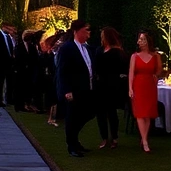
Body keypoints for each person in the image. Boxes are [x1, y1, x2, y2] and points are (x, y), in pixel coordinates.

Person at [56, 20, 95, 157]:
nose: (88, 34)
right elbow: (62, 70)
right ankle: (72, 145)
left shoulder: (87, 48)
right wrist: (66, 90)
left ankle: (75, 139)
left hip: (86, 89)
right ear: (77, 31)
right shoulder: (67, 48)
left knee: (87, 113)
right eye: (86, 30)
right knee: (72, 117)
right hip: (73, 90)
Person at [95, 27, 129, 149]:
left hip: (112, 85)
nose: (101, 38)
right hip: (100, 85)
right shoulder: (99, 50)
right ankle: (104, 137)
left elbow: (124, 68)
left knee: (111, 112)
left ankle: (114, 137)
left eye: (103, 35)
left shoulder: (118, 52)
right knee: (100, 113)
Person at [129, 30, 161, 153]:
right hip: (138, 85)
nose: (139, 42)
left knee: (148, 113)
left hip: (150, 86)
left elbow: (159, 70)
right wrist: (130, 88)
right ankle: (145, 141)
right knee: (140, 113)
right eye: (139, 39)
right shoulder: (134, 56)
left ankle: (144, 138)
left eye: (142, 39)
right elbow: (131, 73)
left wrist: (155, 76)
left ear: (148, 41)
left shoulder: (156, 56)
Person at [0, 23, 17, 108]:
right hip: (1, 64)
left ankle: (9, 99)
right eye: (9, 29)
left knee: (10, 82)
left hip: (10, 64)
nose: (11, 31)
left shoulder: (10, 37)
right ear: (3, 27)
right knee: (0, 83)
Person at [14, 29, 41, 112]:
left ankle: (27, 104)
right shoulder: (19, 47)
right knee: (21, 88)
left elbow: (35, 58)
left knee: (28, 88)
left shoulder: (32, 47)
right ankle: (21, 105)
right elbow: (18, 58)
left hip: (30, 71)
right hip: (22, 71)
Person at [39, 35, 60, 127]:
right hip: (50, 79)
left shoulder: (53, 54)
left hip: (53, 78)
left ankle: (53, 117)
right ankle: (51, 118)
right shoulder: (48, 56)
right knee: (52, 99)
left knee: (54, 99)